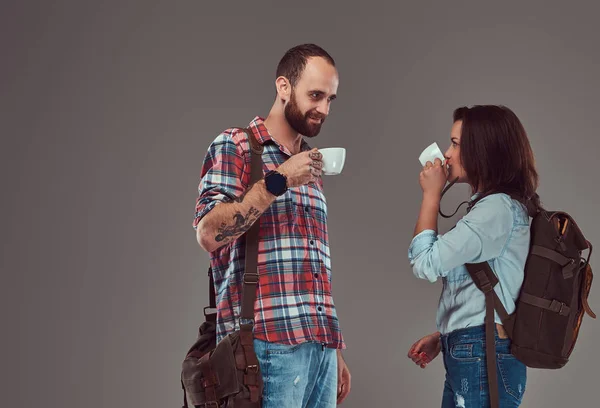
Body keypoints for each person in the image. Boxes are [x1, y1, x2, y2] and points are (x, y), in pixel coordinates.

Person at [192, 43, 351, 408]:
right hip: (265, 345)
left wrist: (334, 348)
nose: (323, 109)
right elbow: (209, 232)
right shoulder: (237, 146)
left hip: (319, 350)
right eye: (315, 95)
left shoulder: (309, 166)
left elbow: (312, 265)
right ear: (284, 87)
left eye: (330, 99)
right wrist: (277, 181)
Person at [406, 105, 541, 407]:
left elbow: (425, 263)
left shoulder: (495, 210)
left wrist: (431, 195)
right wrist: (447, 336)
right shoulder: (492, 209)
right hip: (475, 349)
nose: (447, 153)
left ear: (483, 150)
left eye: (455, 143)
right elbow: (485, 289)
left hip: (482, 352)